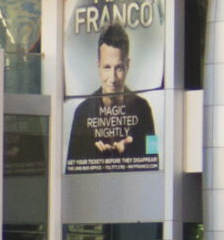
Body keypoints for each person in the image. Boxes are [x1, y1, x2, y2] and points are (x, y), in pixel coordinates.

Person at [67, 23, 158, 166]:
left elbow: (154, 159)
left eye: (119, 68)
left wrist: (128, 154)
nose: (113, 78)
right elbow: (72, 170)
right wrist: (98, 158)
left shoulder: (143, 110)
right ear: (98, 66)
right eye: (107, 67)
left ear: (128, 65)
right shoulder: (82, 113)